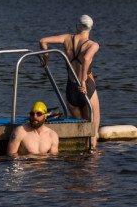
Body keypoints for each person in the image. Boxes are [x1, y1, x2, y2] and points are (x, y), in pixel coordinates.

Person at [39, 14, 101, 147]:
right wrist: (83, 81)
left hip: (71, 89)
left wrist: (46, 57)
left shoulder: (67, 39)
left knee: (79, 130)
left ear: (77, 26)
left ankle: (77, 165)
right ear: (90, 28)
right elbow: (86, 59)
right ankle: (91, 164)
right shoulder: (93, 45)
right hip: (86, 88)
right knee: (93, 131)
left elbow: (43, 41)